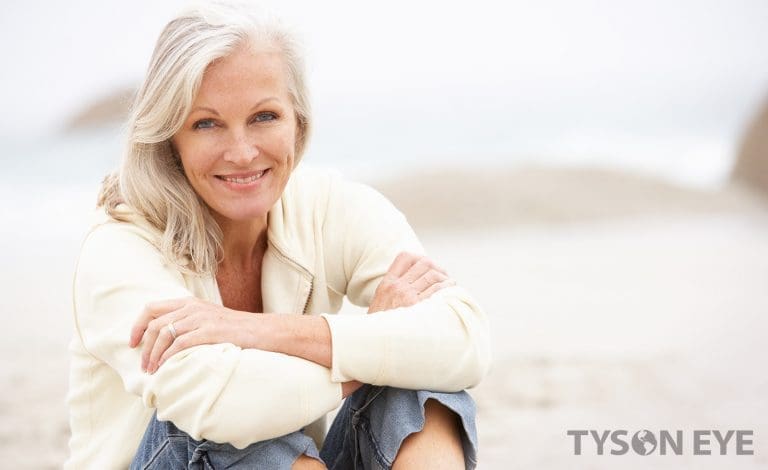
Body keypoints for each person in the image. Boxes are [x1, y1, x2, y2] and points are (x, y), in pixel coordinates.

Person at [66, 4, 491, 469]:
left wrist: (253, 331)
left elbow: (464, 339)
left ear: (299, 123)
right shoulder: (120, 247)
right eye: (206, 123)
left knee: (421, 387)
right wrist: (372, 348)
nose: (243, 152)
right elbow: (221, 403)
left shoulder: (329, 205)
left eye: (264, 117)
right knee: (221, 430)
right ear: (171, 139)